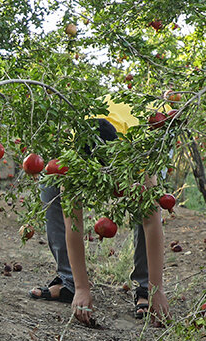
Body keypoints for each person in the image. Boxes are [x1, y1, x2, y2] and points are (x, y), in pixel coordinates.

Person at [29, 117, 170, 326]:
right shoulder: (72, 160)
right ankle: (69, 283)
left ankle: (145, 289)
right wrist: (82, 288)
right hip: (90, 141)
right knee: (49, 186)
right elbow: (73, 224)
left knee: (145, 204)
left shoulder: (140, 156)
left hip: (139, 133)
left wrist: (156, 288)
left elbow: (152, 222)